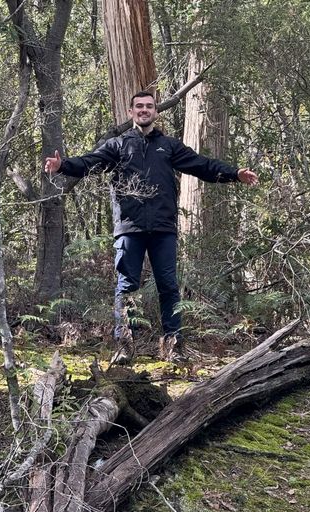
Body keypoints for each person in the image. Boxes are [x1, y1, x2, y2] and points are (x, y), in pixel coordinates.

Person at [45, 91, 258, 364]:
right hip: (129, 227)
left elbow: (202, 165)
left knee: (168, 286)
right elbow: (90, 163)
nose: (144, 110)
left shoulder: (168, 146)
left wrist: (234, 174)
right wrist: (63, 165)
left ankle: (174, 345)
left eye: (149, 106)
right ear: (131, 111)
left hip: (162, 228)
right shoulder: (118, 145)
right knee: (127, 285)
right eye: (139, 106)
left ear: (155, 112)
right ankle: (124, 346)